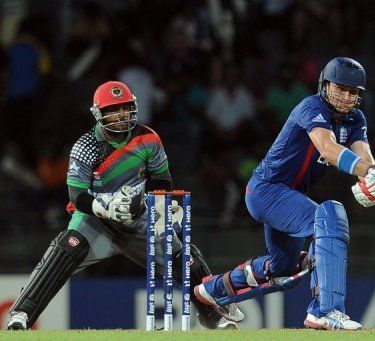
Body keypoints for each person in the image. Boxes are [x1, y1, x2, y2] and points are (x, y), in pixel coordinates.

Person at [7, 81, 244, 330]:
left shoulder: (148, 139)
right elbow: (77, 197)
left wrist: (163, 206)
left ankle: (214, 315)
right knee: (68, 246)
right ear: (99, 113)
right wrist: (106, 208)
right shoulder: (86, 147)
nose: (120, 115)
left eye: (125, 108)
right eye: (113, 109)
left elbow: (161, 180)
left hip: (138, 218)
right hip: (96, 220)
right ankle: (21, 315)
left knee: (183, 256)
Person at [194, 57, 375, 330]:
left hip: (288, 196)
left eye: (353, 92)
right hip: (267, 190)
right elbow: (327, 148)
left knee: (284, 269)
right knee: (330, 216)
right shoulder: (311, 107)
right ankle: (326, 311)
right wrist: (365, 171)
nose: (346, 96)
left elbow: (366, 159)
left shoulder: (355, 119)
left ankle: (212, 292)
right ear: (324, 85)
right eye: (340, 88)